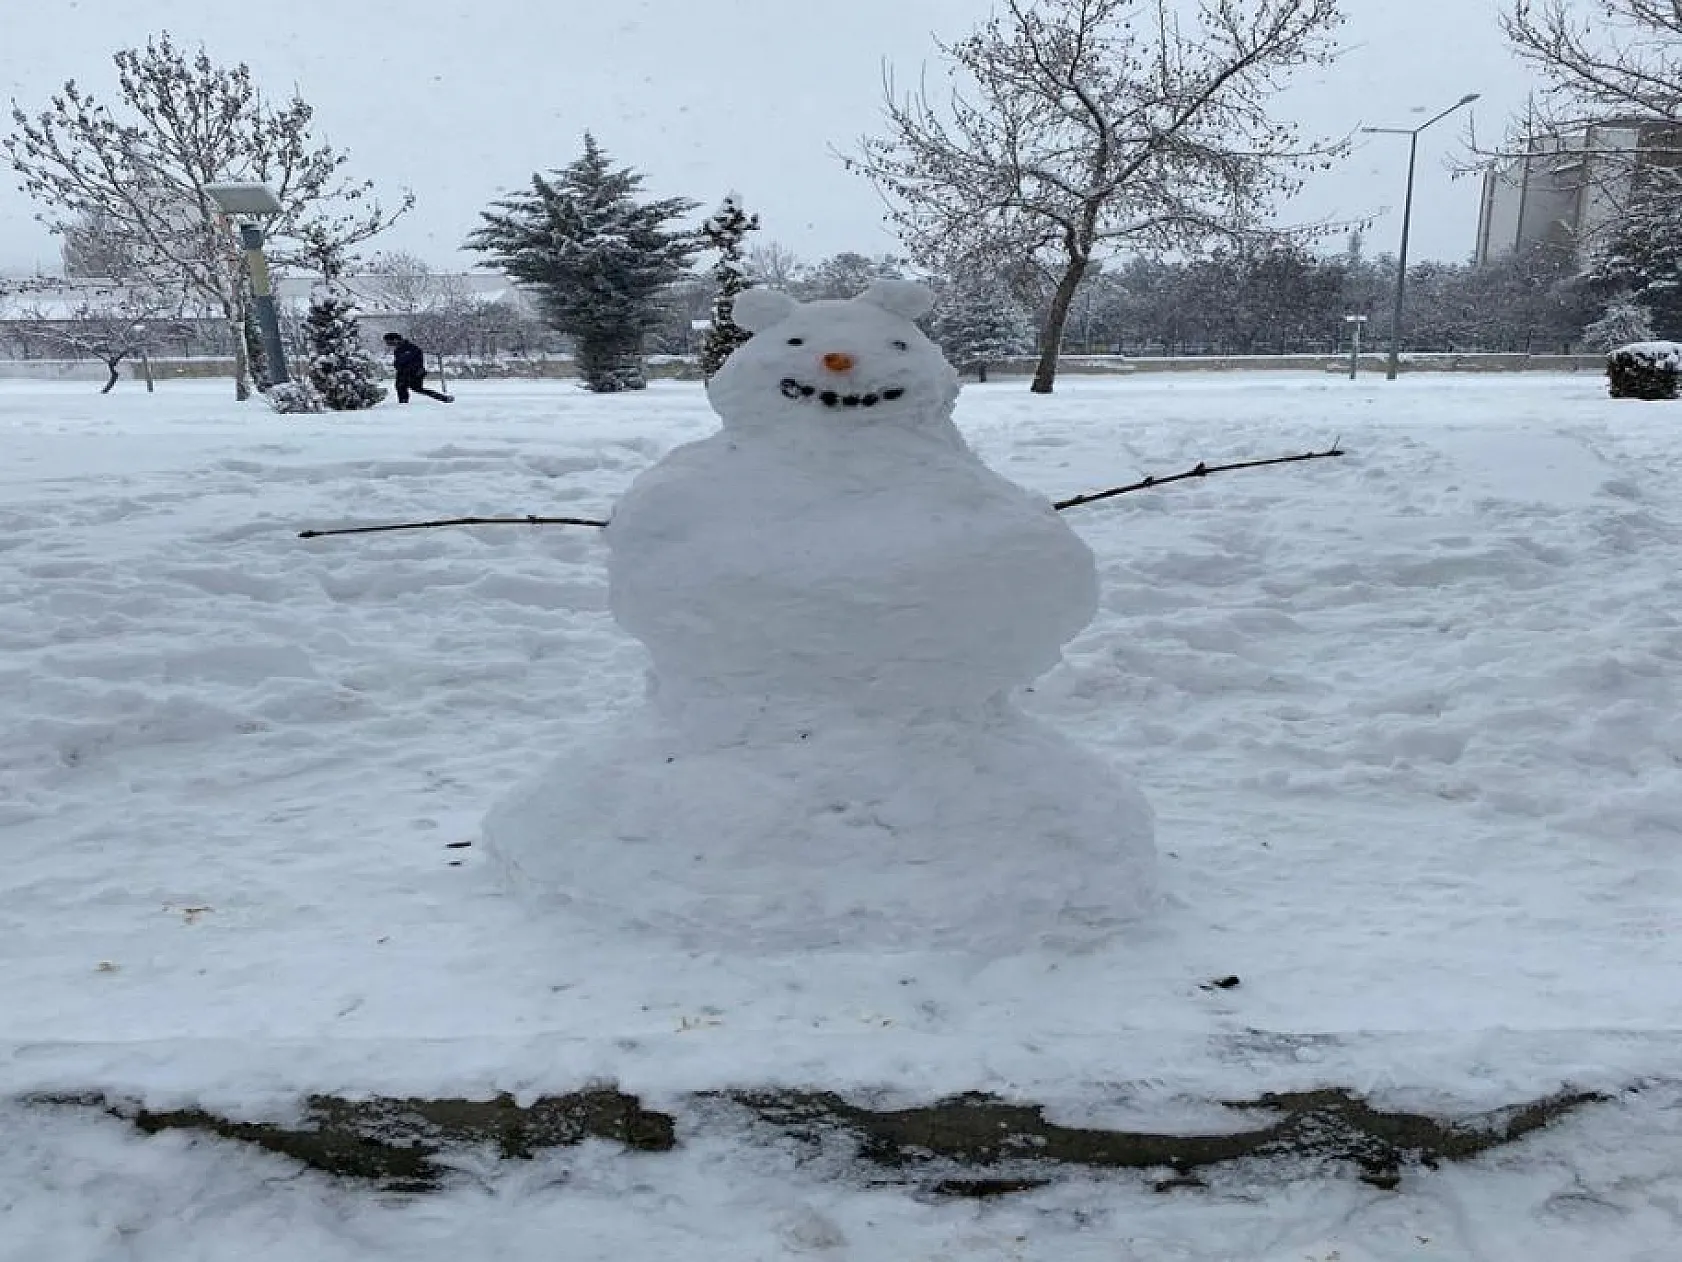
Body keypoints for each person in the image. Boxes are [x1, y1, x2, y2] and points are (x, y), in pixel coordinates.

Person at [382, 332, 453, 403]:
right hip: (404, 372)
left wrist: (400, 365)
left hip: (415, 372)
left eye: (389, 342)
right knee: (401, 387)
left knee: (416, 388)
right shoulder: (399, 349)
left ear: (395, 340)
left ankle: (444, 398)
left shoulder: (411, 348)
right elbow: (399, 362)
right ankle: (403, 403)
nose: (388, 344)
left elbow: (405, 361)